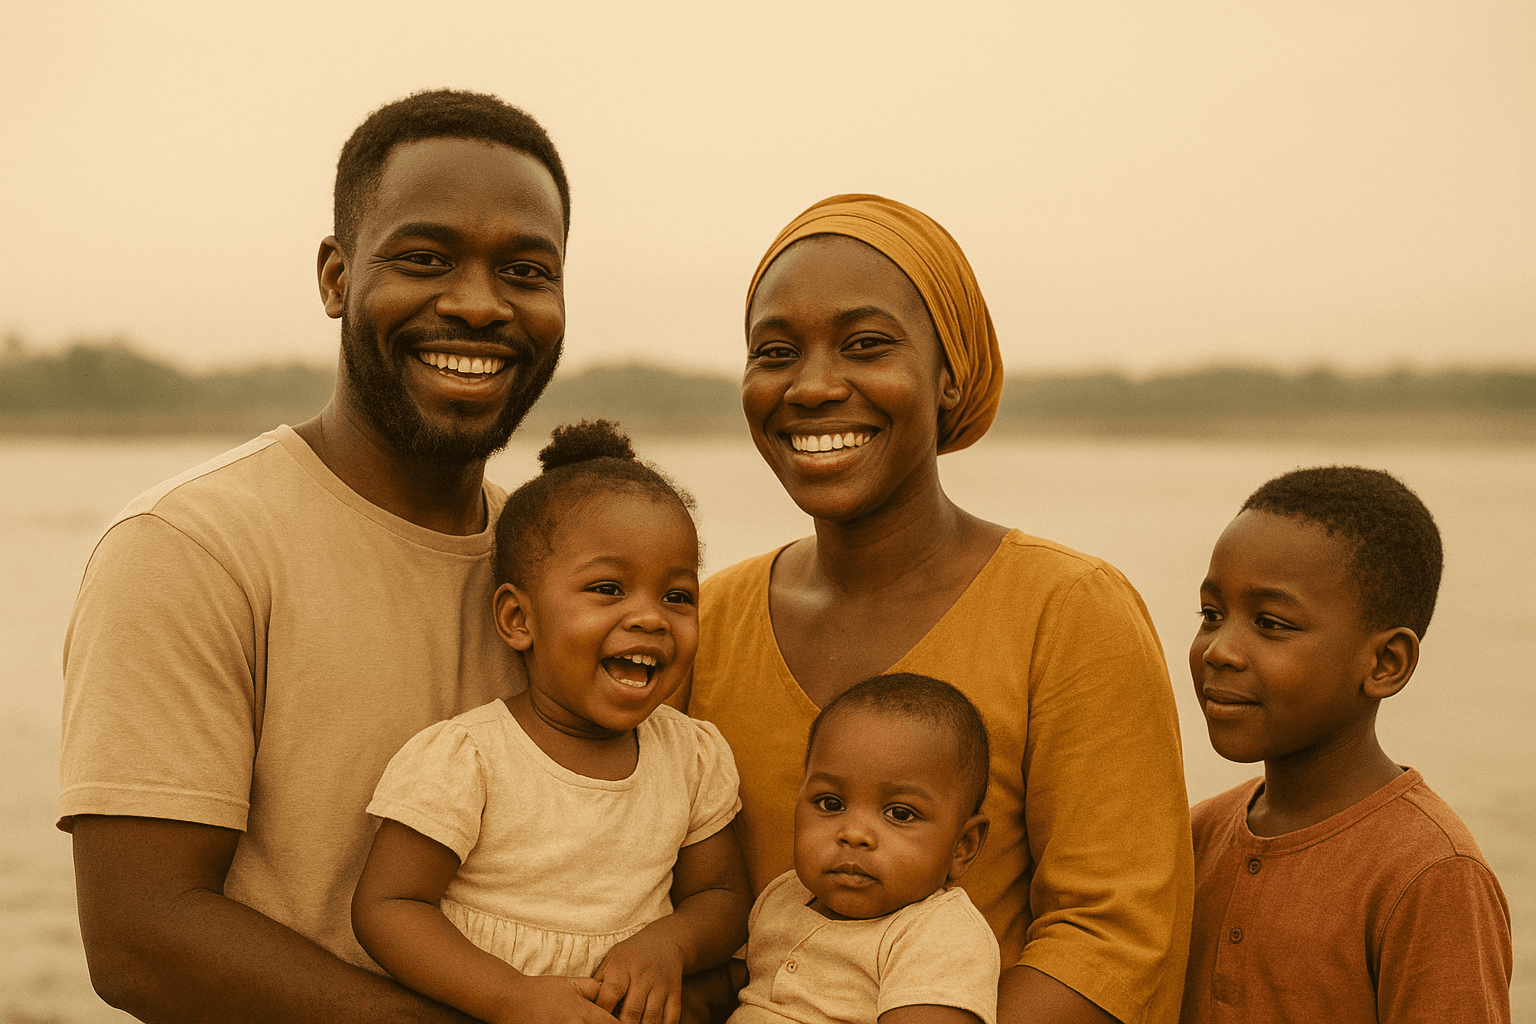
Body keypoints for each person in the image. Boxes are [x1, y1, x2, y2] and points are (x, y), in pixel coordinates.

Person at [59, 89, 571, 1023]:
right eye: (425, 259)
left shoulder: (565, 569)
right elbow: (142, 938)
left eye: (527, 271)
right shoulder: (191, 548)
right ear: (336, 278)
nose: (478, 304)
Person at [678, 194, 1194, 1024]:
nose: (811, 386)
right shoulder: (706, 621)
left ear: (949, 374)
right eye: (774, 352)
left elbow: (1113, 936)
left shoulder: (1070, 612)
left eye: (866, 345)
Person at [353, 420, 751, 1024]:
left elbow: (721, 897)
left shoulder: (692, 756)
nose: (650, 618)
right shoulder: (470, 759)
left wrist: (669, 944)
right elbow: (388, 905)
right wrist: (510, 997)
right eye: (608, 588)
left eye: (677, 596)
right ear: (518, 619)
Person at [1181, 466, 1512, 1023]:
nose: (1220, 650)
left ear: (1385, 663)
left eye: (1271, 623)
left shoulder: (1430, 873)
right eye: (1212, 615)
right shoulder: (1195, 836)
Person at [732, 673, 1001, 1024]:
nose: (854, 833)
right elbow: (731, 991)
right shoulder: (782, 896)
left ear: (962, 846)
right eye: (830, 803)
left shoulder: (939, 936)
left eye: (900, 813)